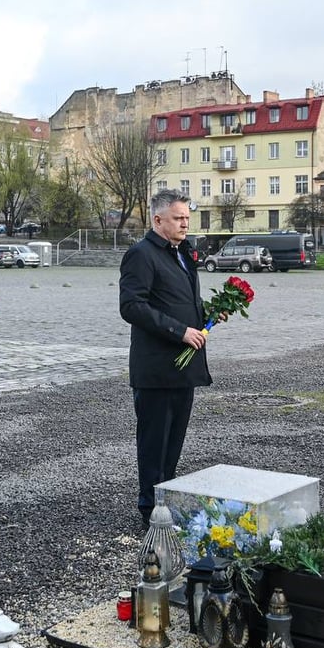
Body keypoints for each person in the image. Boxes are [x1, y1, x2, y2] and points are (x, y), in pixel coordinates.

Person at [119, 189, 212, 526]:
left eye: (187, 217)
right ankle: (150, 510)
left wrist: (207, 315)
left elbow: (178, 300)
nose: (185, 223)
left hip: (183, 367)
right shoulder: (141, 255)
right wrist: (179, 331)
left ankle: (165, 502)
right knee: (154, 443)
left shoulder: (182, 253)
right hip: (157, 368)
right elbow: (132, 306)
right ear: (158, 220)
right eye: (178, 218)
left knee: (173, 443)